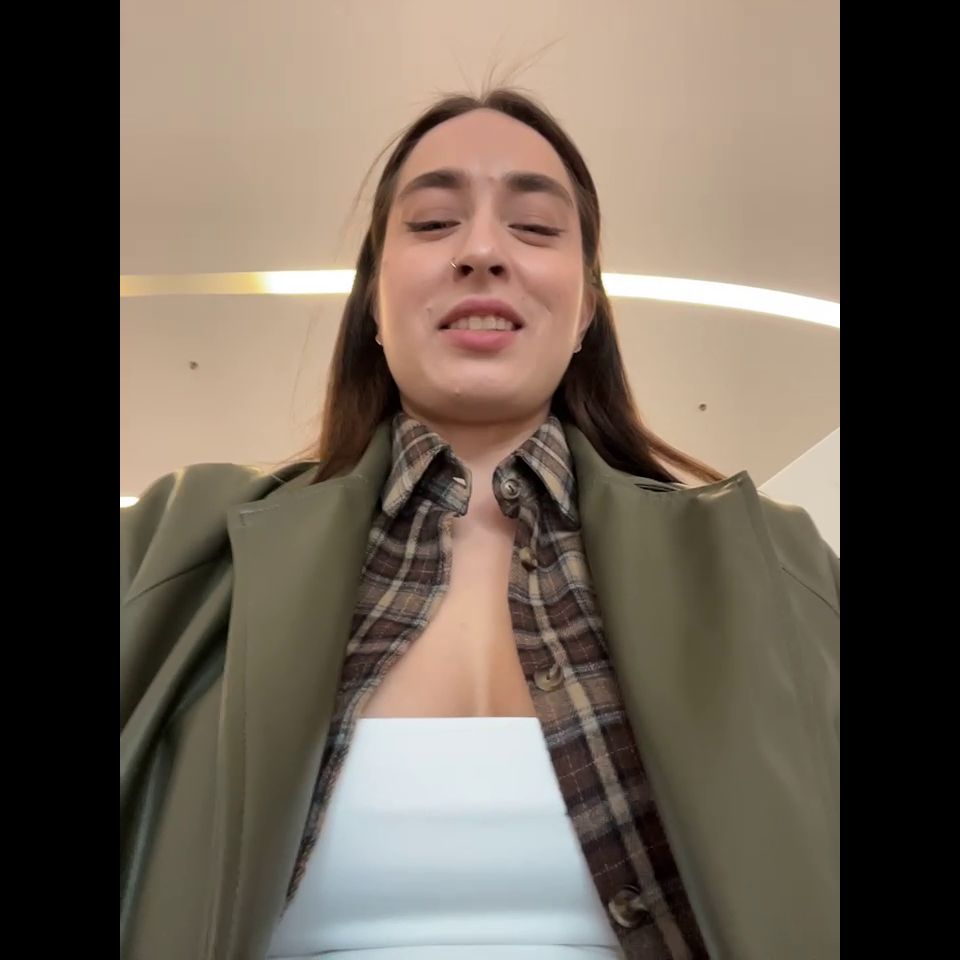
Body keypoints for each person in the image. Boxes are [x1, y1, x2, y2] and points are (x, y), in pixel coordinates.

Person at [120, 87, 839, 960]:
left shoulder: (777, 568)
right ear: (374, 304)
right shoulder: (173, 552)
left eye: (534, 227)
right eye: (432, 223)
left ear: (585, 311)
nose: (483, 250)